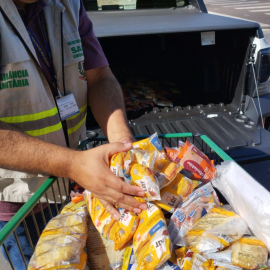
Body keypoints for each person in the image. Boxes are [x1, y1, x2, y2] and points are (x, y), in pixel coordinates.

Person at [0, 0, 147, 268]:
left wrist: (122, 141)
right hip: (16, 203)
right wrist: (73, 164)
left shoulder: (68, 4)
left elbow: (100, 76)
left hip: (72, 183)